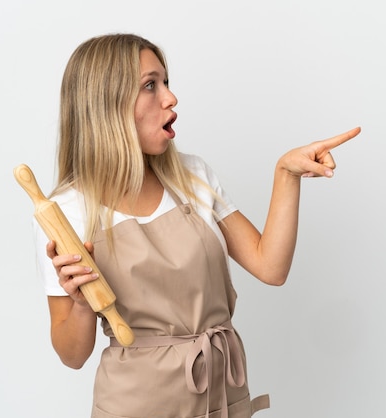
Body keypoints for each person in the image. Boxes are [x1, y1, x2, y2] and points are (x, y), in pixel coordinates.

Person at [34, 33, 360, 418]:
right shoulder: (66, 212)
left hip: (220, 393)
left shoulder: (193, 176)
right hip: (135, 405)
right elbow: (71, 356)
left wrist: (285, 174)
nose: (170, 99)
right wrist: (82, 305)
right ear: (106, 103)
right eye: (150, 86)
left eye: (166, 83)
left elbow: (271, 267)